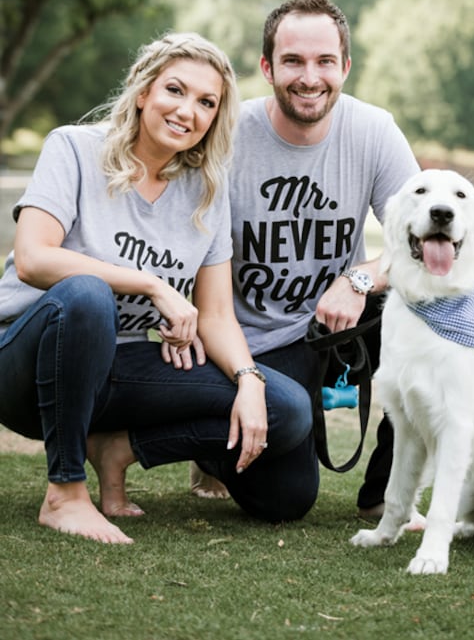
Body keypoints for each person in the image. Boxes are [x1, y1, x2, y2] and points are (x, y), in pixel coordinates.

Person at [0, 32, 313, 544]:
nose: (187, 110)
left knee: (288, 408)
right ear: (142, 90)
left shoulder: (206, 188)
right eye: (175, 89)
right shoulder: (74, 148)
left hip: (118, 373)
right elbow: (34, 258)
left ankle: (119, 446)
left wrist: (250, 379)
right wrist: (152, 286)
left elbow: (214, 315)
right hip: (24, 367)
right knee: (85, 294)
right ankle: (64, 493)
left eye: (206, 102)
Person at [190, 0, 420, 515]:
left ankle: (387, 496)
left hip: (338, 330)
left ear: (346, 67)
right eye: (293, 60)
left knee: (437, 307)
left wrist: (357, 280)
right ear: (268, 66)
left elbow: (420, 241)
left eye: (324, 61)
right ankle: (206, 440)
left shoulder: (373, 130)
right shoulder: (226, 137)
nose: (309, 77)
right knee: (286, 500)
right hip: (253, 347)